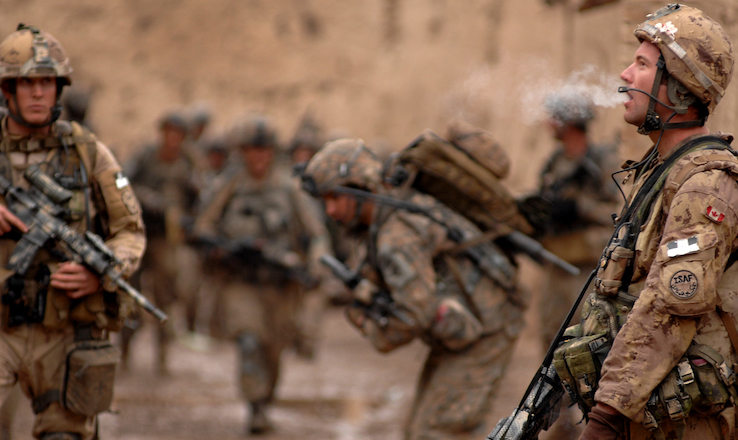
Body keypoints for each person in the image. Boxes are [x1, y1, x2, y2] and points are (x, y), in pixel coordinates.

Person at [553, 4, 738, 440]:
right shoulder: (663, 170)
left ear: (682, 90)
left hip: (683, 426)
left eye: (643, 64)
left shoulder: (706, 186)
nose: (626, 74)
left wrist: (605, 417)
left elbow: (670, 309)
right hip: (646, 415)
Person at [301, 138, 525, 440]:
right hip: (466, 329)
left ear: (359, 188)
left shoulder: (396, 234)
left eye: (334, 197)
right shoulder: (387, 216)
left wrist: (369, 325)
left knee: (437, 430)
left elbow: (413, 315)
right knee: (421, 430)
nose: (329, 210)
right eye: (323, 200)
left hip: (487, 331)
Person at [0, 24, 145, 440]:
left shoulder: (89, 152)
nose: (38, 93)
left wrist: (101, 272)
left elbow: (130, 231)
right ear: (7, 90)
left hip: (63, 328)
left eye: (46, 81)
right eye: (26, 83)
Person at [192, 115, 331, 434]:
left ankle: (265, 398)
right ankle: (254, 406)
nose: (258, 157)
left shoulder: (288, 187)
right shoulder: (229, 185)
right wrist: (223, 247)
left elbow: (317, 233)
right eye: (252, 150)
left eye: (264, 150)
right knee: (249, 340)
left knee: (273, 350)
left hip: (280, 285)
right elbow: (202, 225)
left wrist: (316, 263)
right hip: (242, 282)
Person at [535, 91, 620, 440]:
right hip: (557, 269)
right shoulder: (555, 162)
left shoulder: (601, 163)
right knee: (550, 355)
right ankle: (559, 430)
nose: (547, 124)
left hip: (587, 275)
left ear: (569, 122)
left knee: (587, 355)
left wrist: (579, 208)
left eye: (554, 117)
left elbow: (617, 218)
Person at [123, 111, 201, 374]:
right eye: (169, 133)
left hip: (166, 237)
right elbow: (121, 180)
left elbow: (199, 194)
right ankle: (125, 350)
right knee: (129, 293)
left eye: (178, 135)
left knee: (165, 296)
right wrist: (145, 198)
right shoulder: (145, 156)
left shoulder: (188, 162)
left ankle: (163, 355)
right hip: (138, 232)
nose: (173, 139)